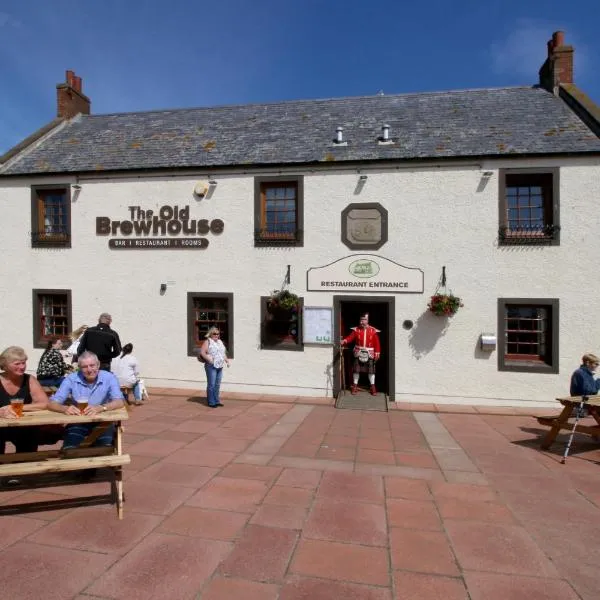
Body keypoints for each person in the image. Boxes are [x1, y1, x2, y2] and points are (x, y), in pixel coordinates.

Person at [49, 351, 124, 449]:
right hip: (78, 421)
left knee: (105, 449)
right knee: (69, 450)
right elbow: (52, 403)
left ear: (98, 365)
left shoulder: (109, 377)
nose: (89, 370)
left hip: (102, 421)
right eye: (85, 367)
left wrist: (102, 407)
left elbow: (120, 401)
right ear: (79, 368)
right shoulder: (71, 379)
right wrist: (65, 409)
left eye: (92, 365)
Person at [0, 346, 48, 454]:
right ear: (5, 365)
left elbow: (44, 403)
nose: (22, 367)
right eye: (17, 364)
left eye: (24, 363)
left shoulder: (29, 379)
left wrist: (17, 408)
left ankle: (24, 465)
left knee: (30, 434)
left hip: (22, 426)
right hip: (1, 426)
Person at [341, 312, 381, 396]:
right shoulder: (356, 330)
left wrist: (377, 353)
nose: (362, 321)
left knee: (371, 372)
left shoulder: (373, 331)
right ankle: (355, 386)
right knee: (356, 370)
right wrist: (344, 340)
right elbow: (350, 338)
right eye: (361, 319)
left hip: (370, 353)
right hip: (358, 352)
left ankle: (372, 387)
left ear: (367, 320)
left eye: (364, 319)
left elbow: (377, 343)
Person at [199, 326, 231, 407]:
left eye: (218, 334)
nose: (216, 335)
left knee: (217, 384)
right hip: (211, 366)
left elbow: (222, 353)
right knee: (211, 384)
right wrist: (209, 360)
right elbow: (202, 352)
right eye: (214, 333)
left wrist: (227, 361)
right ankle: (211, 402)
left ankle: (216, 400)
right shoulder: (208, 342)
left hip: (219, 365)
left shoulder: (220, 342)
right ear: (210, 334)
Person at [570, 353, 600, 418]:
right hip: (581, 404)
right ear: (588, 363)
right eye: (596, 364)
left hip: (586, 402)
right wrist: (598, 382)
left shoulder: (587, 373)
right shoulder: (580, 373)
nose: (598, 366)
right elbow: (588, 391)